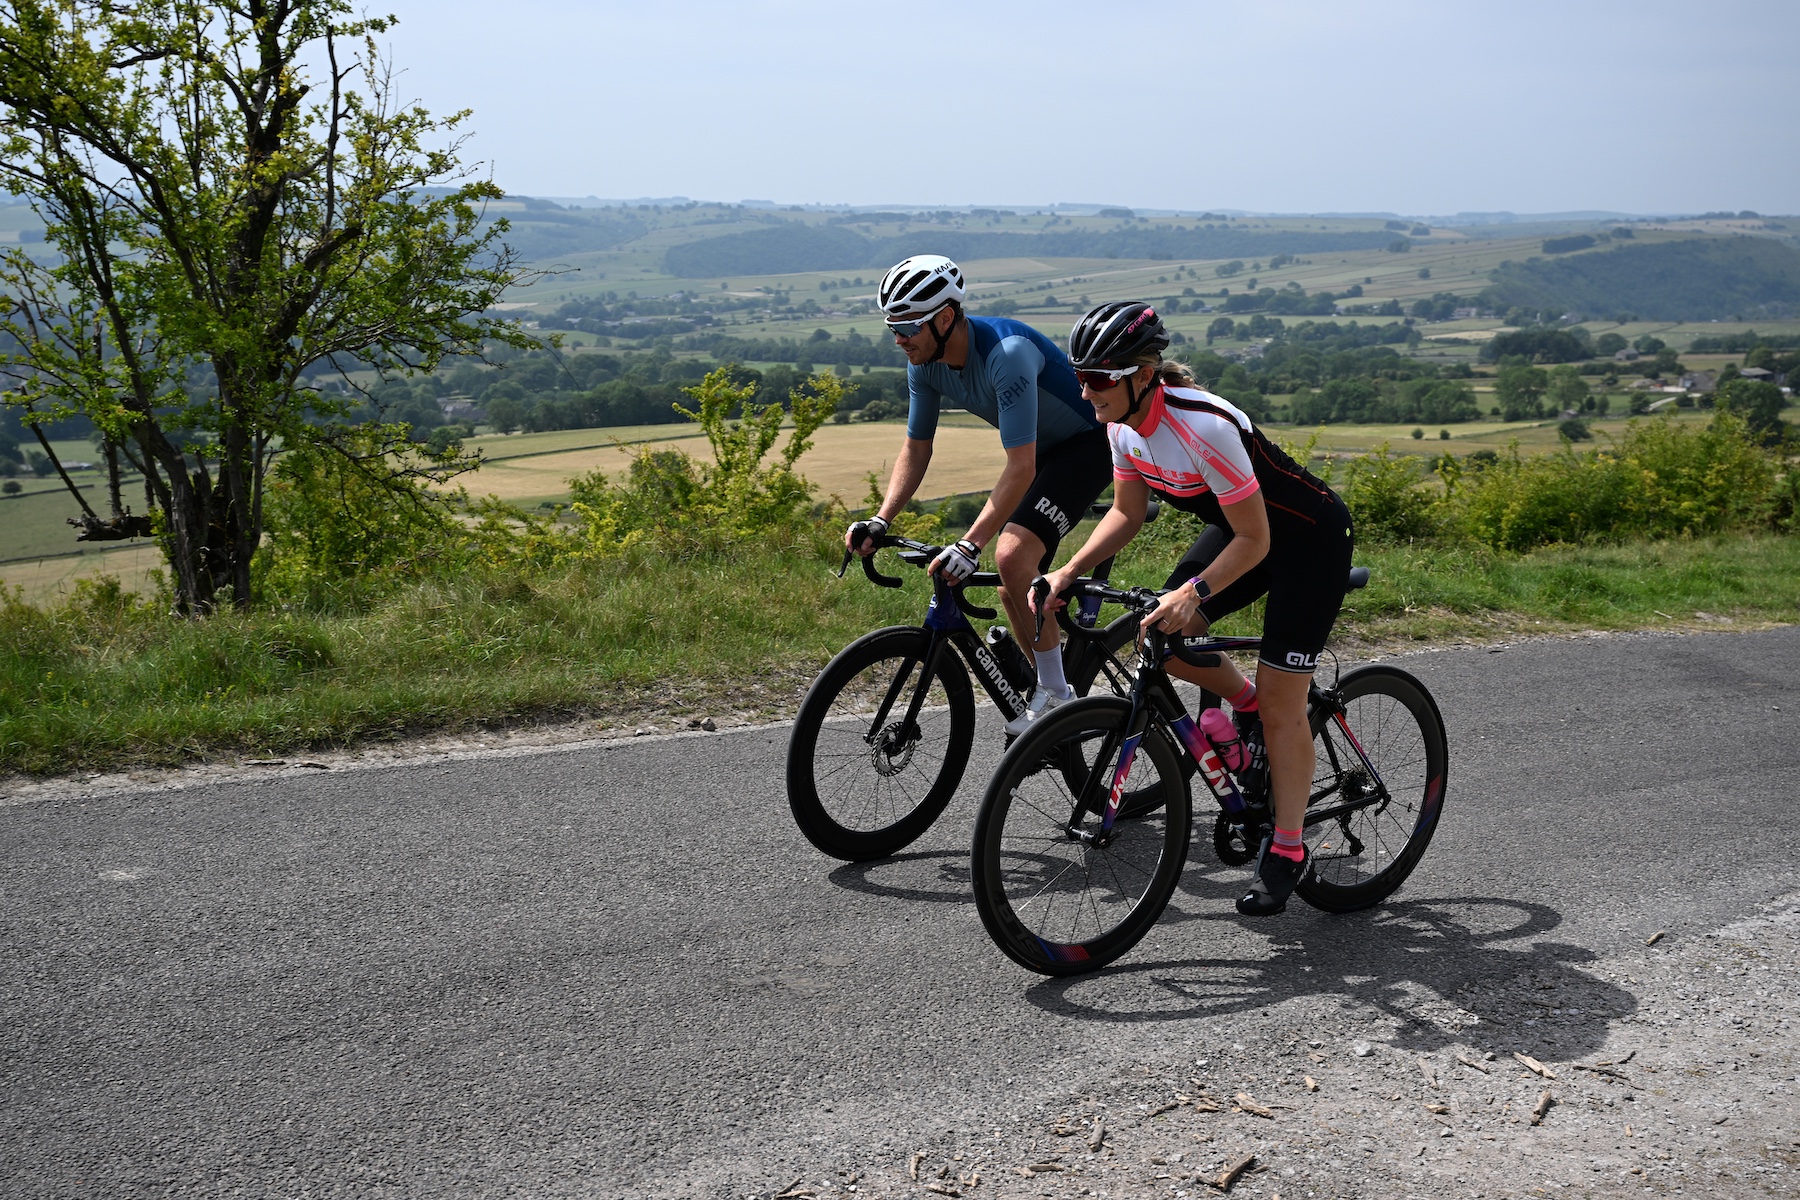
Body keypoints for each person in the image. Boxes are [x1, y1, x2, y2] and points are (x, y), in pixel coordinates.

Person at [1034, 301, 1355, 917]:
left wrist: (1195, 592)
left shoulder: (1203, 425)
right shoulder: (1121, 425)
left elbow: (1257, 539)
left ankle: (1288, 848)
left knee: (1283, 703)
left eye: (1097, 378)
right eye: (1080, 376)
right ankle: (1245, 708)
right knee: (1159, 637)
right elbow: (1126, 512)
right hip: (1242, 535)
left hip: (1308, 543)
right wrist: (1067, 572)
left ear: (1142, 374)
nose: (1085, 390)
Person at [846, 255, 1113, 734]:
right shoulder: (925, 364)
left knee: (1010, 556)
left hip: (1088, 446)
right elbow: (917, 447)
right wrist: (882, 519)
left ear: (946, 317)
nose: (899, 339)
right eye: (892, 328)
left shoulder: (1006, 354)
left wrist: (970, 544)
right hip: (1043, 453)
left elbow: (1020, 466)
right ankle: (1048, 686)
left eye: (907, 326)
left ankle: (1059, 700)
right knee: (1015, 582)